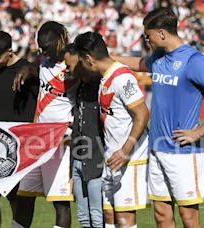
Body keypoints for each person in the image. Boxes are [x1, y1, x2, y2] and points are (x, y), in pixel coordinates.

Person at [113, 8, 204, 227]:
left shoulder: (194, 60)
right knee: (161, 214)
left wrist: (199, 131)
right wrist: (107, 58)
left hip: (184, 153)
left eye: (147, 35)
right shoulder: (159, 58)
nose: (146, 40)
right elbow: (138, 63)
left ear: (161, 33)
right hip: (157, 148)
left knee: (189, 217)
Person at [74, 31, 150, 228]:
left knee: (124, 217)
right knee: (109, 215)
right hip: (112, 156)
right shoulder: (105, 77)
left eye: (81, 62)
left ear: (89, 59)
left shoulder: (122, 77)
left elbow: (142, 114)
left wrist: (126, 150)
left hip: (129, 157)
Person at [12, 21, 78, 228]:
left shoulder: (75, 65)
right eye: (41, 48)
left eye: (47, 48)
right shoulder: (44, 61)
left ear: (60, 41)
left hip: (61, 142)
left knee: (60, 203)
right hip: (37, 140)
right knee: (24, 198)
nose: (44, 52)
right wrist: (27, 68)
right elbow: (37, 70)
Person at [0, 30, 39, 228]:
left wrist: (30, 72)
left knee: (16, 199)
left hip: (18, 146)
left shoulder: (28, 69)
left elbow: (37, 75)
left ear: (10, 51)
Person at [63, 43, 105, 228]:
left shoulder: (101, 85)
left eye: (70, 65)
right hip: (79, 158)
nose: (67, 69)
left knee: (97, 216)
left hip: (96, 159)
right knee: (83, 216)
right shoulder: (80, 87)